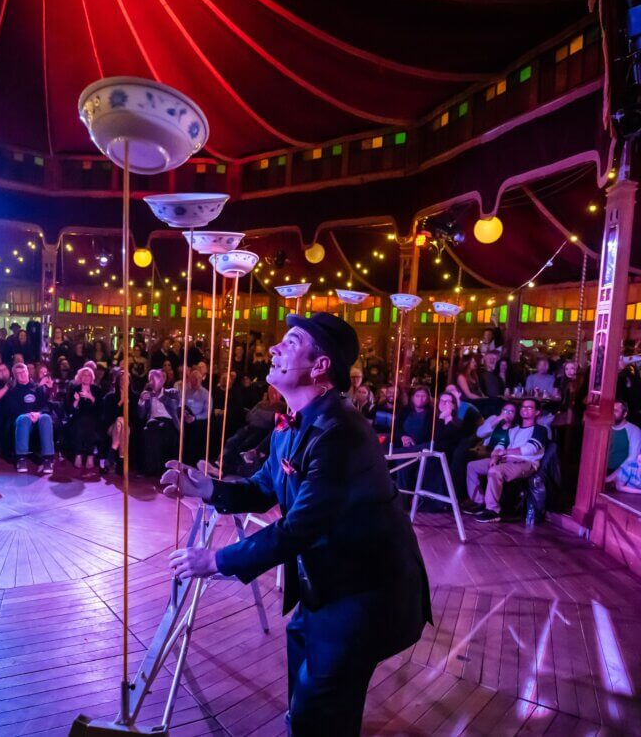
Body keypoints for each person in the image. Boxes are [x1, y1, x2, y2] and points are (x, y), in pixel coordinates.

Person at [160, 311, 430, 735]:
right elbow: (265, 486)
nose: (273, 348)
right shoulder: (289, 423)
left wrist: (215, 561)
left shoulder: (340, 432)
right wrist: (208, 490)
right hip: (325, 587)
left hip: (369, 595)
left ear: (320, 366)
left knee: (316, 712)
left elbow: (299, 529)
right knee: (308, 704)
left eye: (290, 342)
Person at [465, 398, 549, 522]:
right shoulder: (513, 430)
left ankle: (493, 511)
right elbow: (501, 445)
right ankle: (479, 502)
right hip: (505, 460)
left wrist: (505, 452)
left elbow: (529, 449)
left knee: (495, 471)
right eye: (523, 407)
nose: (524, 409)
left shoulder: (540, 430)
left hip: (525, 463)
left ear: (537, 412)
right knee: (472, 466)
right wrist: (495, 456)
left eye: (529, 407)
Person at [5, 362, 56, 474]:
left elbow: (47, 405)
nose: (22, 375)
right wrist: (29, 415)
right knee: (23, 418)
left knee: (46, 417)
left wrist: (38, 413)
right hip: (22, 419)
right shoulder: (12, 391)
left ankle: (48, 459)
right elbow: (13, 410)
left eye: (23, 372)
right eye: (18, 373)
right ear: (15, 376)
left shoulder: (38, 388)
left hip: (38, 417)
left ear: (28, 372)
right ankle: (21, 458)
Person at [138, 368, 181, 476]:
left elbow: (174, 405)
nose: (151, 382)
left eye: (154, 379)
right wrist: (141, 401)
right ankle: (151, 468)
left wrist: (159, 395)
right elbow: (141, 415)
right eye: (150, 379)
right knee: (149, 430)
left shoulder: (172, 392)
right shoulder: (147, 394)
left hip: (168, 422)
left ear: (162, 381)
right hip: (153, 422)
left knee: (159, 430)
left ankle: (160, 469)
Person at [65, 366, 102, 468]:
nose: (86, 377)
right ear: (80, 377)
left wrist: (91, 397)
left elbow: (100, 408)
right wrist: (76, 401)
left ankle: (84, 455)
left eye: (88, 375)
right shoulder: (75, 390)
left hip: (93, 418)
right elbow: (69, 409)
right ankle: (83, 455)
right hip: (77, 418)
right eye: (84, 375)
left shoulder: (97, 390)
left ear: (92, 378)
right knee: (82, 421)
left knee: (88, 422)